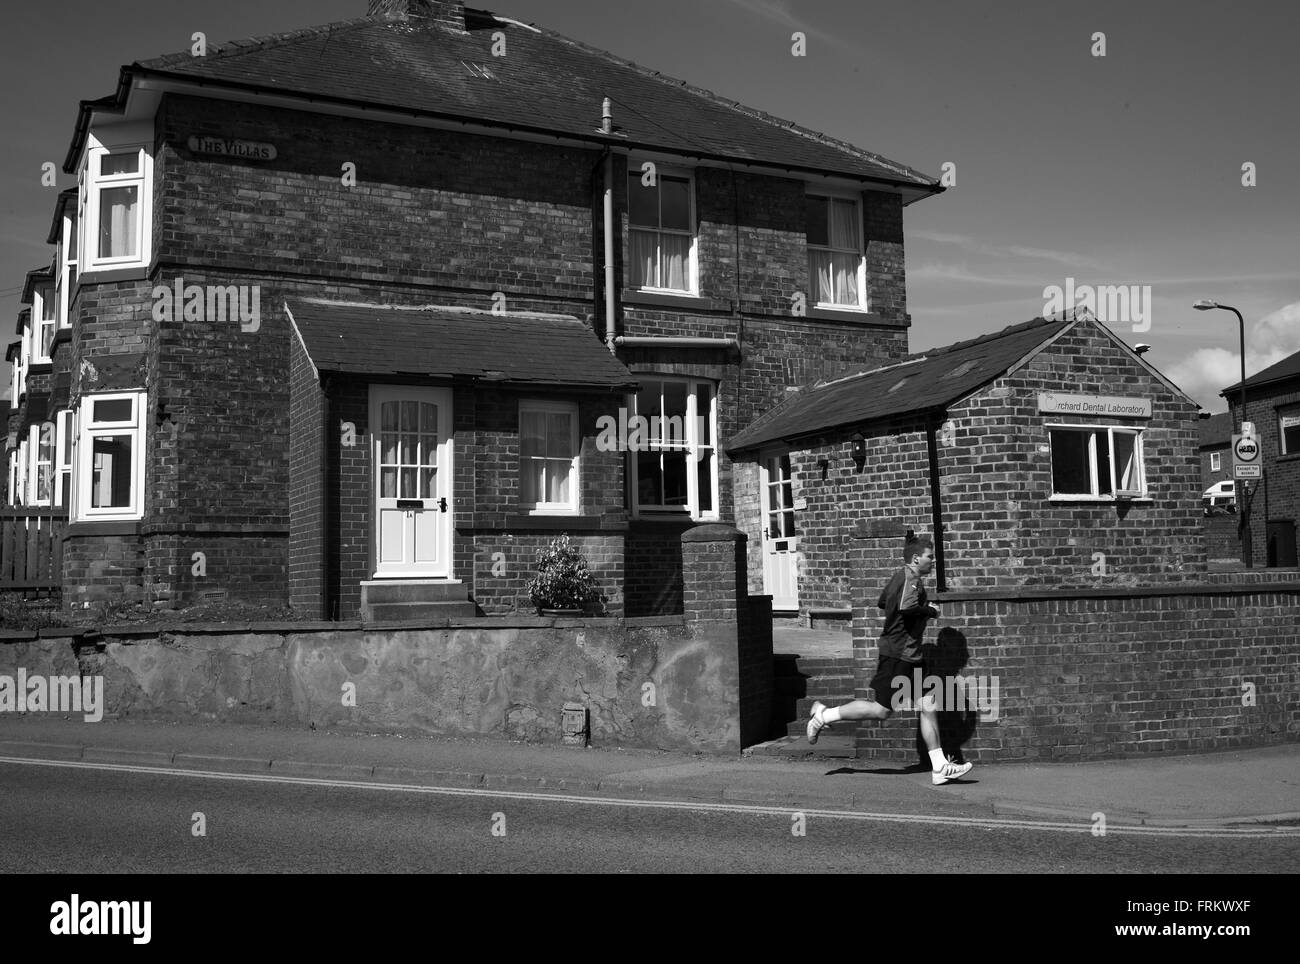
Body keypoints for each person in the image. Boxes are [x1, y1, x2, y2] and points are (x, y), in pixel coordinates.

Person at [806, 532, 974, 786]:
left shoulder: (900, 577)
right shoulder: (911, 579)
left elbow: (883, 602)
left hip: (912, 656)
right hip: (898, 656)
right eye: (930, 557)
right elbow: (906, 607)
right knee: (881, 711)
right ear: (916, 559)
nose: (933, 561)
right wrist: (929, 610)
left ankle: (940, 767)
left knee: (928, 705)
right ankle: (824, 715)